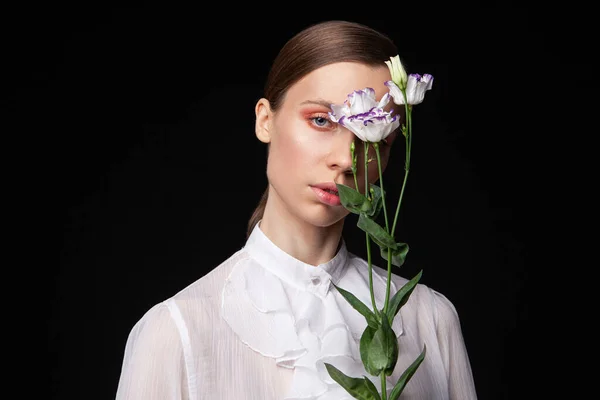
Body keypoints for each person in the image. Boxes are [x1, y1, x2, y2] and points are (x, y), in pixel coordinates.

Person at [115, 20, 477, 399]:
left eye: (377, 139)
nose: (345, 160)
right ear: (265, 120)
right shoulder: (177, 332)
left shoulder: (431, 320)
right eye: (321, 120)